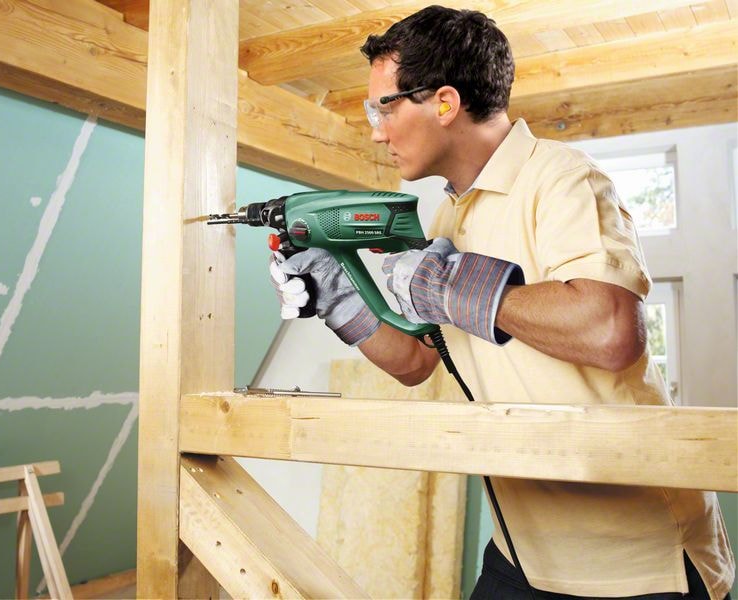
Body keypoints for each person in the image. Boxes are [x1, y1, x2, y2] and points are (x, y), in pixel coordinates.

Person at [269, 6, 735, 599]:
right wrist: (338, 295)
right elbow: (416, 362)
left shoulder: (563, 179)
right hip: (520, 552)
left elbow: (611, 331)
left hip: (635, 561)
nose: (376, 131)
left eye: (384, 107)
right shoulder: (448, 216)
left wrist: (453, 285)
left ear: (444, 103)